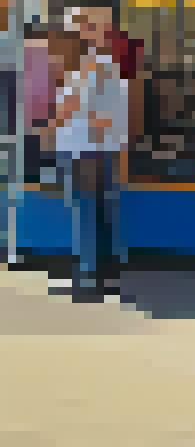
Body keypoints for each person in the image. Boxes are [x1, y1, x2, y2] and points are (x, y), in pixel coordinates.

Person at [52, 30, 128, 299]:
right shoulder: (96, 70)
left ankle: (88, 278)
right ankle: (105, 277)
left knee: (86, 214)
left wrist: (68, 112)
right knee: (97, 214)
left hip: (84, 150)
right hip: (92, 149)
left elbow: (70, 110)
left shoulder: (91, 70)